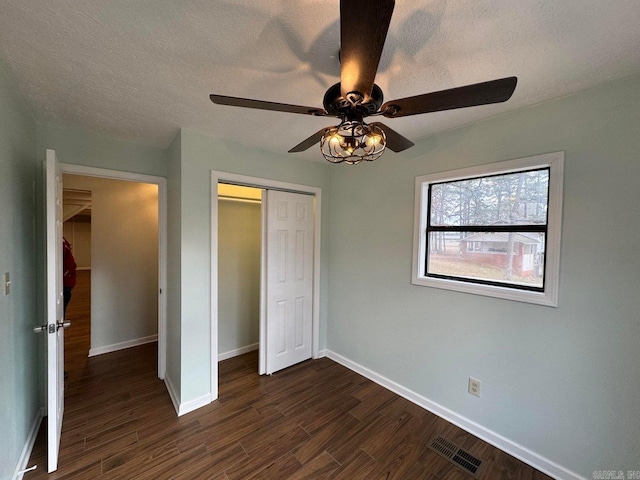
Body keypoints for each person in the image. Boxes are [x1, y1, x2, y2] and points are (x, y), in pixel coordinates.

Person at [63, 237, 77, 318]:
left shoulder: (60, 242)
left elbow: (70, 265)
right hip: (67, 282)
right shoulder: (63, 242)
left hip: (65, 284)